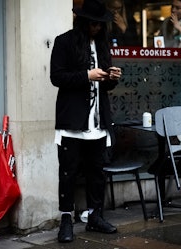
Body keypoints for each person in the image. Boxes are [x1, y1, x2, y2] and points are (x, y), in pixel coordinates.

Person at [50, 0, 122, 243]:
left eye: (101, 25)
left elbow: (107, 86)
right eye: (93, 24)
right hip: (72, 122)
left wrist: (112, 77)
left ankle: (95, 217)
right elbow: (56, 77)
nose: (97, 28)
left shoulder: (101, 45)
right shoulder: (64, 41)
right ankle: (66, 221)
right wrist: (86, 75)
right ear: (82, 22)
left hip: (98, 122)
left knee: (97, 173)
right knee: (68, 174)